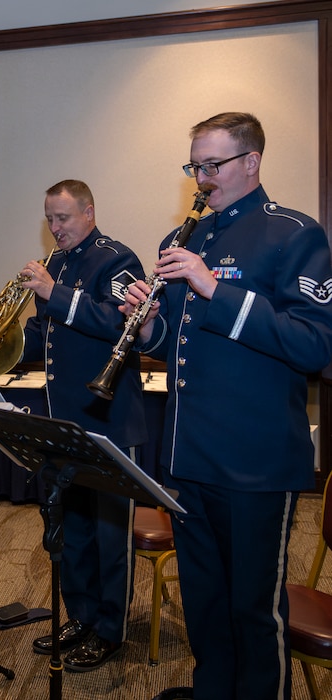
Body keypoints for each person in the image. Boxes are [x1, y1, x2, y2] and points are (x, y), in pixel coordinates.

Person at [122, 112, 332, 700]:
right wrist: (145, 331)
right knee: (206, 604)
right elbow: (179, 345)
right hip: (189, 455)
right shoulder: (182, 238)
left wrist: (216, 288)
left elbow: (316, 344)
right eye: (195, 165)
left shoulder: (293, 233)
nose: (201, 178)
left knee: (253, 610)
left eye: (212, 165)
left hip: (255, 462)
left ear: (251, 162)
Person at [18, 179, 147, 672]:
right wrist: (1, 341)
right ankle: (82, 616)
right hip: (62, 420)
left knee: (111, 536)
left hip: (109, 421)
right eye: (50, 218)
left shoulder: (118, 259)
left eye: (64, 218)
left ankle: (111, 630)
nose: (55, 228)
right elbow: (45, 333)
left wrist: (57, 294)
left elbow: (121, 324)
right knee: (71, 528)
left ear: (89, 212)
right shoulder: (55, 263)